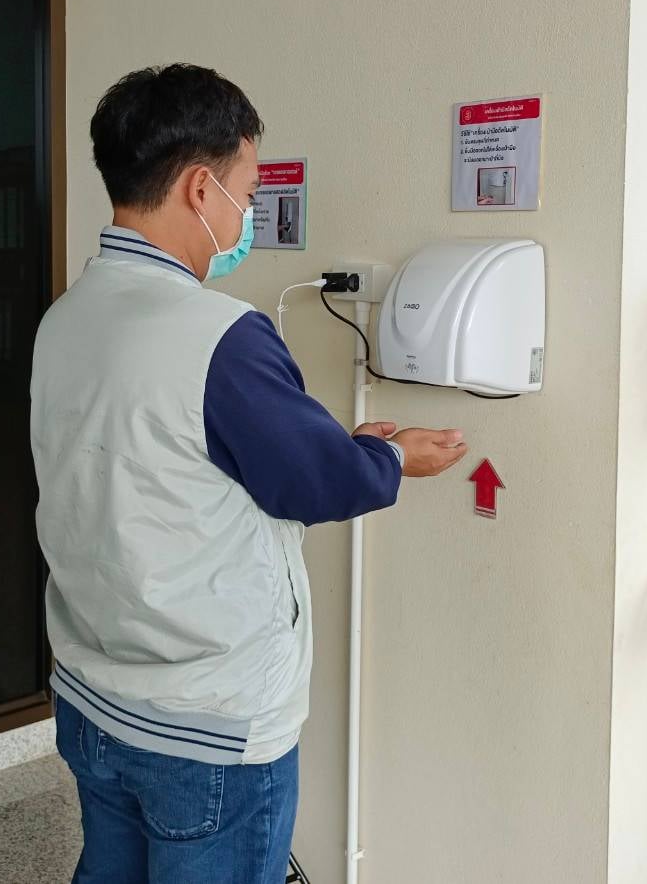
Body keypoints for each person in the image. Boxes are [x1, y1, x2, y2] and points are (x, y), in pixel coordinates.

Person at [31, 64, 467, 884]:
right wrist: (393, 456)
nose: (247, 214)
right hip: (204, 729)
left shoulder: (67, 316)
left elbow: (169, 461)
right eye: (248, 190)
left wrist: (339, 448)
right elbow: (313, 483)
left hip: (93, 697)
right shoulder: (217, 333)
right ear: (201, 187)